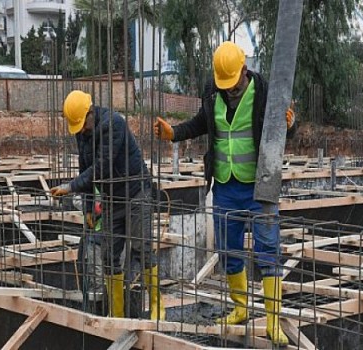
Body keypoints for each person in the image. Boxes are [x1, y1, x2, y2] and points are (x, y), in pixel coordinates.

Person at [154, 41, 295, 345]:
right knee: (229, 249)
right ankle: (241, 308)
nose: (229, 91)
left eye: (233, 85)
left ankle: (273, 322)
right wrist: (174, 133)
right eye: (224, 86)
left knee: (267, 250)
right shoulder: (212, 90)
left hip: (260, 185)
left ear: (244, 70)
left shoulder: (264, 91)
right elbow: (201, 124)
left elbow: (284, 127)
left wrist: (290, 124)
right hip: (225, 186)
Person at [51, 90, 165, 321]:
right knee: (109, 255)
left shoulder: (114, 124)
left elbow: (101, 169)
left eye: (83, 124)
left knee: (142, 248)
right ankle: (117, 313)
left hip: (135, 192)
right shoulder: (84, 132)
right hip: (112, 197)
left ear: (91, 113)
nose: (81, 130)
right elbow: (86, 169)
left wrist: (70, 187)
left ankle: (157, 307)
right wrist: (89, 208)